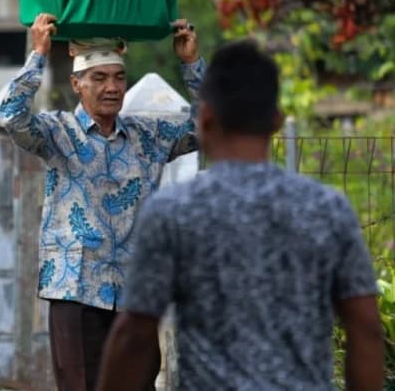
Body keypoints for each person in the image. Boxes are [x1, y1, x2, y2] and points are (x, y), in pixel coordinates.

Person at [98, 40, 384, 391]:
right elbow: (366, 329)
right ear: (276, 121)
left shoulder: (173, 212)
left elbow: (134, 335)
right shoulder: (327, 209)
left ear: (204, 120)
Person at [0, 13, 205, 391]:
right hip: (75, 290)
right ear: (77, 84)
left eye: (118, 77)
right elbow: (12, 116)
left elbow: (210, 125)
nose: (112, 87)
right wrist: (38, 54)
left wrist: (190, 63)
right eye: (99, 78)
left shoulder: (148, 136)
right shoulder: (57, 132)